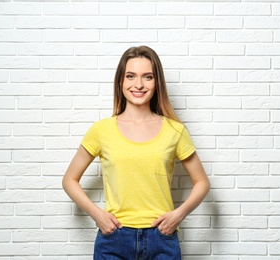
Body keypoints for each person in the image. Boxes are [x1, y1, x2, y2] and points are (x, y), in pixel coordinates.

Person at [62, 46, 210, 259]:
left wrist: (179, 215)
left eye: (147, 77)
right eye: (130, 76)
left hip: (162, 238)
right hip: (114, 238)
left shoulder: (174, 131)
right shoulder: (101, 130)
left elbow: (202, 182)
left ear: (156, 82)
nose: (138, 84)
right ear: (120, 81)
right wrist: (98, 215)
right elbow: (69, 180)